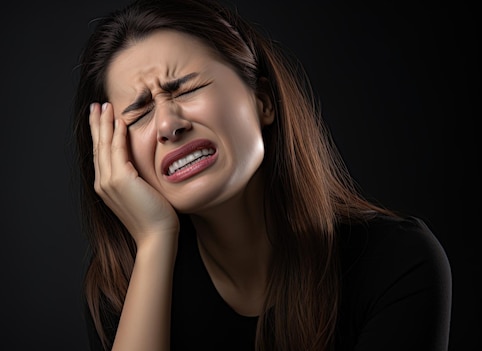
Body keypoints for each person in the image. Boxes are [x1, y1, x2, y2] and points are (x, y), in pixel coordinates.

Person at [71, 0, 452, 350]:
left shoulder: (396, 263)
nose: (169, 124)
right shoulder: (122, 289)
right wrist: (155, 240)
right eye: (139, 115)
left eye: (187, 88)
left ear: (263, 101)